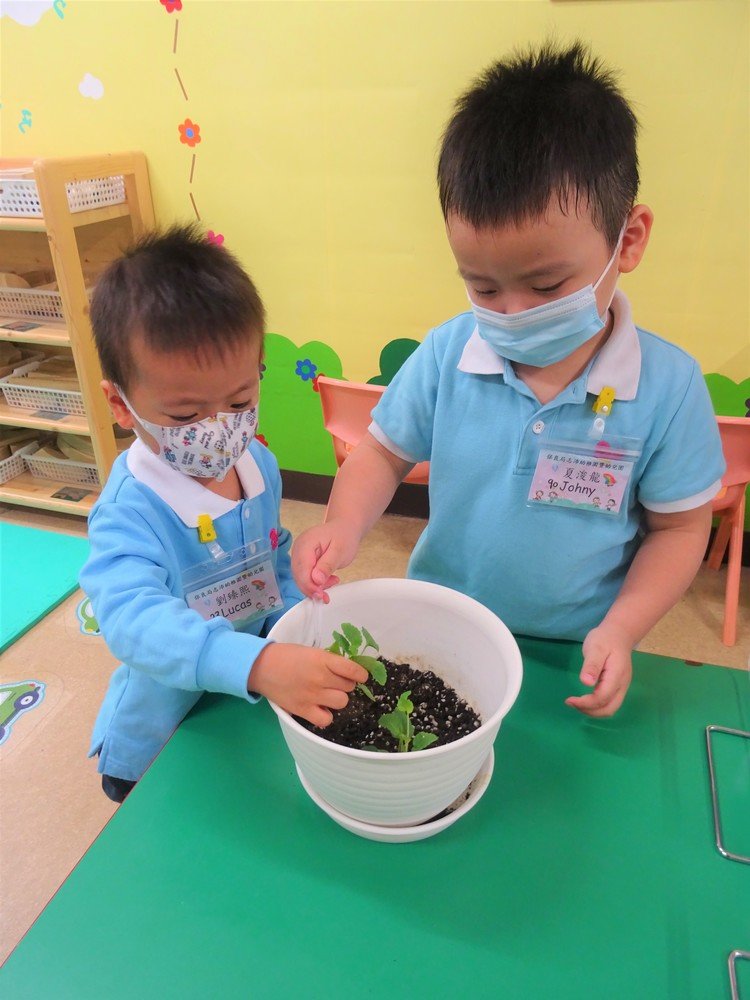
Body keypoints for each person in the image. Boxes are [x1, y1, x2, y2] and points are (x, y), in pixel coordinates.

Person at [292, 41, 725, 719]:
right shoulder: (448, 353)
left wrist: (622, 628)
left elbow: (679, 530)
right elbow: (380, 453)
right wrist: (343, 526)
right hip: (441, 627)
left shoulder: (668, 388)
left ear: (628, 241)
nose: (513, 313)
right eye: (484, 287)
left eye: (546, 285)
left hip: (568, 651)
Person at [82, 225, 366, 802]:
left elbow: (269, 553)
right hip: (164, 730)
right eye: (186, 415)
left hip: (245, 693)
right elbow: (133, 622)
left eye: (239, 401)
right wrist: (257, 664)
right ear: (121, 404)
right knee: (169, 815)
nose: (219, 428)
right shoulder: (128, 510)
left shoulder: (257, 463)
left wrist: (298, 600)